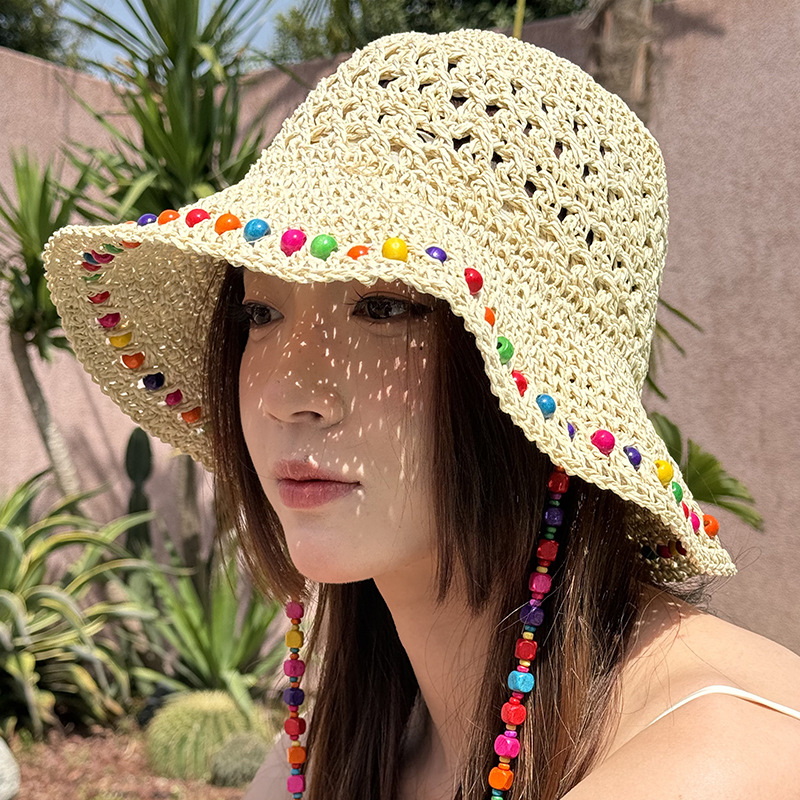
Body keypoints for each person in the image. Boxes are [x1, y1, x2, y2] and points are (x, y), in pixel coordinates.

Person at [43, 27, 800, 800]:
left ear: (541, 389)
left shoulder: (718, 759)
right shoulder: (357, 731)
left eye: (384, 308)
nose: (286, 392)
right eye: (260, 314)